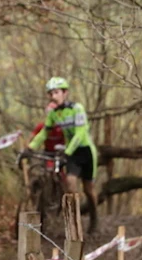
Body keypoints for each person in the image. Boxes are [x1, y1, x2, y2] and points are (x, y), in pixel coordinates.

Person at [27, 76, 99, 231]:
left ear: (65, 93)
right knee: (70, 184)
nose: (53, 96)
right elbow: (44, 133)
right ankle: (74, 224)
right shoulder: (53, 114)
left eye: (56, 92)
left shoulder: (77, 108)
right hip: (72, 153)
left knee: (88, 189)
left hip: (86, 151)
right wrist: (30, 147)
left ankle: (94, 218)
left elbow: (80, 133)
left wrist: (67, 151)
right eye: (51, 93)